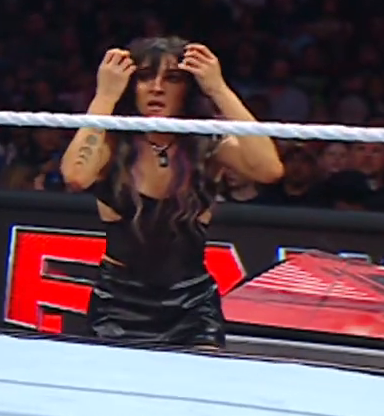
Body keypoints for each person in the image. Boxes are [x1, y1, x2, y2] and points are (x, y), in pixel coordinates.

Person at [59, 39, 284, 348]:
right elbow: (75, 176)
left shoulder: (206, 143)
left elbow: (269, 169)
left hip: (192, 305)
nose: (157, 88)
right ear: (130, 86)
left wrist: (219, 89)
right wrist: (105, 96)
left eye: (172, 78)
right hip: (119, 304)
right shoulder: (110, 142)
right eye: (144, 77)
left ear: (188, 89)